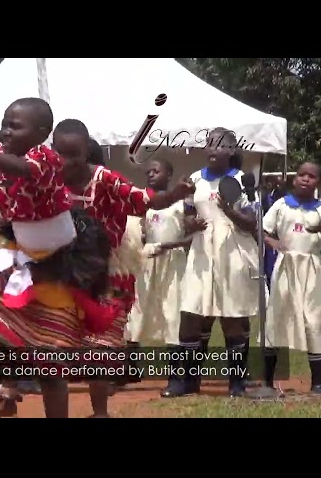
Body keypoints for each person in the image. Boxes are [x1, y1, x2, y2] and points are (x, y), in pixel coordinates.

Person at [51, 119, 194, 417]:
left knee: (99, 346)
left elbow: (144, 200)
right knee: (56, 344)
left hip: (107, 272)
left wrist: (174, 195)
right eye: (59, 153)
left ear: (85, 153)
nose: (65, 161)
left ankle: (100, 412)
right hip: (63, 269)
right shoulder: (49, 178)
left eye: (73, 154)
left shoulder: (105, 179)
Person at [162, 127, 258, 399]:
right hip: (202, 250)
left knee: (232, 318)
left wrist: (229, 211)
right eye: (208, 144)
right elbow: (187, 216)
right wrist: (190, 222)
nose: (212, 149)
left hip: (233, 251)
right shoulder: (194, 179)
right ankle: (187, 381)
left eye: (219, 144)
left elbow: (251, 223)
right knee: (190, 314)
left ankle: (237, 383)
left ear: (231, 150)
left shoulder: (242, 180)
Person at [128, 159, 191, 393]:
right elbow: (141, 234)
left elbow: (190, 235)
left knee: (172, 314)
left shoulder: (181, 205)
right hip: (148, 260)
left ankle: (176, 378)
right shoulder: (146, 204)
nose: (151, 174)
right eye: (148, 172)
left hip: (172, 263)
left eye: (156, 170)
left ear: (169, 174)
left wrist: (172, 244)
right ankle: (130, 369)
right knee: (136, 311)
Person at [263, 162, 321, 394]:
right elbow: (264, 230)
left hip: (312, 268)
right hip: (285, 266)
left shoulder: (319, 209)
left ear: (318, 183)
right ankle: (267, 381)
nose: (306, 179)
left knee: (314, 320)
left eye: (312, 176)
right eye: (302, 175)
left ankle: (317, 382)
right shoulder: (281, 205)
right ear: (294, 178)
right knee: (277, 317)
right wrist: (274, 242)